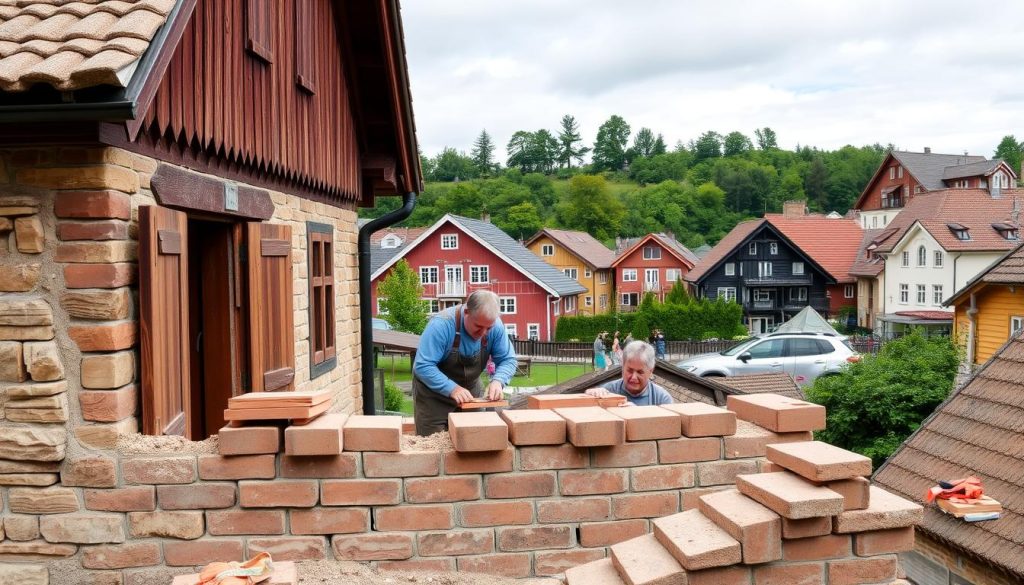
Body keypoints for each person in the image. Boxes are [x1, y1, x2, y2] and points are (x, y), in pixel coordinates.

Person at [412, 290, 517, 435]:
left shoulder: (495, 326)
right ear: (466, 312)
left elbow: (508, 359)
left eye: (489, 328)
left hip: (471, 394)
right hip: (433, 398)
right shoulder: (441, 325)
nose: (484, 333)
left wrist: (498, 381)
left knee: (474, 441)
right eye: (478, 327)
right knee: (433, 448)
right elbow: (423, 366)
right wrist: (452, 389)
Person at [584, 341, 673, 405]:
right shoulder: (608, 390)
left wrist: (634, 415)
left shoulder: (662, 398)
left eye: (640, 372)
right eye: (630, 371)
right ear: (622, 367)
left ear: (650, 371)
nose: (634, 377)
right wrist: (590, 395)